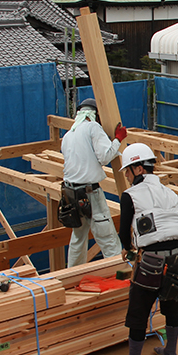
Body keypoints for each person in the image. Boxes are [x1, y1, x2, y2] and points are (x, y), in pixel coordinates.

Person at [108, 143, 178, 355]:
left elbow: (124, 232)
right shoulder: (170, 192)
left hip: (152, 262)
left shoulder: (130, 196)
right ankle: (171, 352)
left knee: (138, 310)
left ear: (137, 169)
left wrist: (126, 247)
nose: (125, 175)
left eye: (127, 170)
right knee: (173, 303)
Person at [60, 98, 127, 267]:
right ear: (96, 116)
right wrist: (118, 139)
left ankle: (72, 276)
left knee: (78, 238)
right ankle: (120, 274)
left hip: (71, 194)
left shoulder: (68, 135)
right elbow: (104, 157)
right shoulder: (93, 128)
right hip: (89, 194)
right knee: (107, 237)